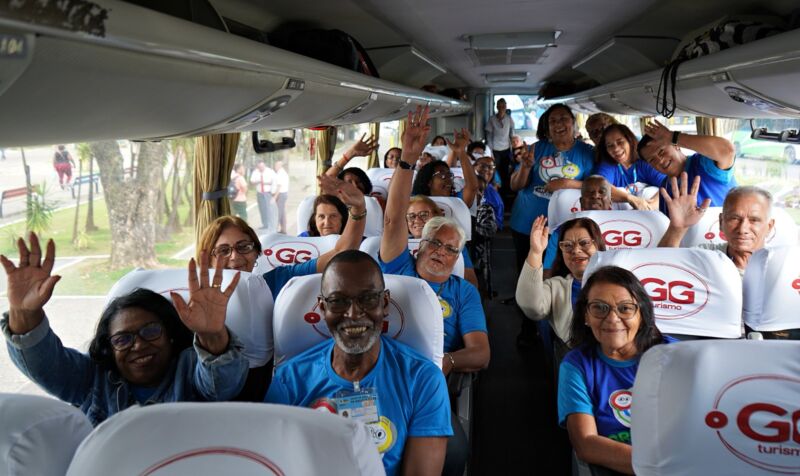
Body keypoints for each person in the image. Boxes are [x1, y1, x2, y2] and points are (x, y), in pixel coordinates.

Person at [1, 232, 249, 426]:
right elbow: (46, 366)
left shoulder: (188, 369)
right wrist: (24, 313)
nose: (138, 344)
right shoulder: (92, 378)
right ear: (109, 348)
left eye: (150, 331)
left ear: (171, 336)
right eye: (122, 340)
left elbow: (223, 384)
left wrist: (211, 334)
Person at [265, 250, 452, 476]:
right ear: (323, 309)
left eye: (368, 299)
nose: (353, 314)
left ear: (384, 304)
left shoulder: (423, 380)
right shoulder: (289, 380)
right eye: (337, 301)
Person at [382, 106, 489, 476]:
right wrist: (408, 159)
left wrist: (449, 361)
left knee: (453, 456)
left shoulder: (463, 293)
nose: (441, 253)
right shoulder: (398, 267)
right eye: (435, 244)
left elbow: (481, 353)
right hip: (383, 366)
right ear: (420, 245)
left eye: (450, 249)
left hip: (429, 378)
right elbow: (394, 217)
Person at [558, 266, 675, 474]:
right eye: (599, 308)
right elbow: (586, 443)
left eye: (625, 308)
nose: (612, 319)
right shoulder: (576, 366)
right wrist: (661, 467)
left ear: (641, 315)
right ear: (585, 315)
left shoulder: (674, 355)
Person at [509, 104, 595, 273]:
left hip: (565, 227)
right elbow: (515, 186)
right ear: (548, 128)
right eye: (553, 121)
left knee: (558, 274)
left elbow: (598, 187)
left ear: (573, 122)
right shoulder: (537, 148)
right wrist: (525, 167)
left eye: (563, 119)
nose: (558, 124)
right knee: (528, 272)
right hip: (527, 222)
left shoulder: (587, 152)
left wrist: (568, 184)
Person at [516, 216, 606, 355]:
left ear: (598, 245)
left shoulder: (617, 284)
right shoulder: (556, 287)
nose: (576, 250)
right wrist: (535, 252)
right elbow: (531, 306)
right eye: (568, 245)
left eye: (584, 243)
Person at [657, 177, 774, 276]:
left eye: (754, 220)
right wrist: (677, 227)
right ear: (721, 222)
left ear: (769, 226)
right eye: (735, 218)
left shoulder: (781, 266)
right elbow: (661, 269)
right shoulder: (706, 256)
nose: (742, 229)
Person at [638, 120, 736, 217]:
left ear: (676, 146)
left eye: (661, 152)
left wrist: (671, 136)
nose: (660, 160)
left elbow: (727, 151)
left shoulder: (704, 164)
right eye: (652, 160)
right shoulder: (666, 188)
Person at [543, 175, 613, 272]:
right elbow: (548, 271)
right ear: (581, 201)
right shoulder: (561, 232)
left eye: (602, 192)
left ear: (610, 202)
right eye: (590, 192)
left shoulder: (627, 229)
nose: (596, 196)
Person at [594, 124, 665, 210]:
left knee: (650, 192)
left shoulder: (645, 163)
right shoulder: (607, 165)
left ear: (630, 141)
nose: (616, 149)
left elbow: (667, 184)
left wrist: (653, 204)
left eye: (620, 142)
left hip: (650, 213)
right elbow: (600, 185)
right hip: (621, 217)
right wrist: (631, 199)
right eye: (610, 145)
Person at [412, 129, 478, 208]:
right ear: (428, 181)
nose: (449, 180)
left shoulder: (456, 200)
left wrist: (461, 151)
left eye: (449, 175)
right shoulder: (416, 202)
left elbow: (472, 187)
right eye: (442, 175)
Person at [485, 98, 515, 203]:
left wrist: (512, 149)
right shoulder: (492, 119)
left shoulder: (509, 119)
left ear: (505, 107)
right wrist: (490, 152)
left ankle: (504, 197)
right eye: (500, 106)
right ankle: (495, 196)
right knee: (495, 173)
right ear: (497, 107)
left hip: (506, 150)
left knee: (505, 173)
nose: (502, 108)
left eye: (503, 106)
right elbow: (489, 136)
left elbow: (511, 134)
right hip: (495, 150)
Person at [473, 156, 504, 229]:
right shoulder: (462, 186)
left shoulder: (495, 196)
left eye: (490, 167)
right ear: (473, 167)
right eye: (482, 166)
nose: (486, 169)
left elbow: (497, 224)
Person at [250, 161, 276, 230]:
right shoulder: (256, 172)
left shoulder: (270, 172)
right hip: (260, 193)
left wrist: (273, 193)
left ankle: (271, 224)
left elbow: (274, 182)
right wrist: (258, 181)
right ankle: (265, 224)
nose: (261, 168)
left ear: (264, 166)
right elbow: (252, 181)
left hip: (267, 193)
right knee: (262, 209)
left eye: (262, 167)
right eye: (259, 167)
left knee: (269, 209)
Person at [272, 161, 289, 234]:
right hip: (283, 194)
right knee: (282, 212)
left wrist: (274, 197)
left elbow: (279, 186)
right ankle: (283, 229)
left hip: (281, 194)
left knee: (278, 212)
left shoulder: (280, 173)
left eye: (276, 165)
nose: (275, 167)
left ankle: (275, 229)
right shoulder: (282, 172)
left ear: (279, 166)